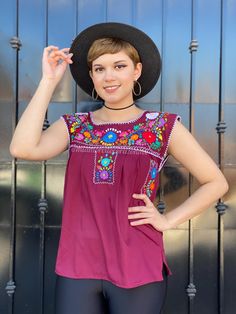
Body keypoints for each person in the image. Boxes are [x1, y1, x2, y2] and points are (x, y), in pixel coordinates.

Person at [10, 22, 228, 314]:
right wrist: (49, 81)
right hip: (78, 264)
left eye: (119, 66)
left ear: (136, 71)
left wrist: (168, 221)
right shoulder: (76, 126)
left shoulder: (161, 126)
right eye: (99, 69)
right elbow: (22, 149)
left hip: (138, 263)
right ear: (91, 76)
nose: (108, 77)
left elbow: (216, 182)